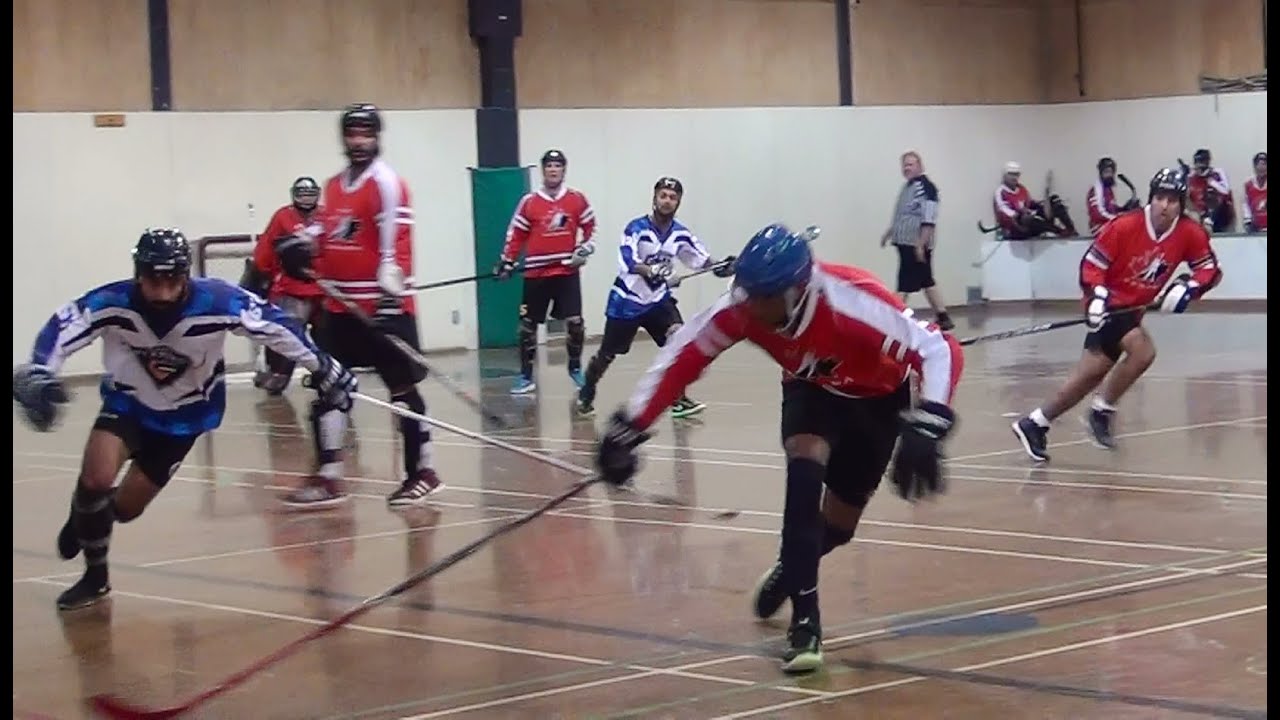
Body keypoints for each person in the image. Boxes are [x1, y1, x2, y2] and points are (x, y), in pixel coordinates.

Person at [593, 223, 964, 674]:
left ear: (795, 293)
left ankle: (791, 569)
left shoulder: (851, 302)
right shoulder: (743, 308)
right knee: (803, 480)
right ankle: (805, 624)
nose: (748, 305)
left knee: (839, 527)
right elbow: (683, 355)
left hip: (878, 401)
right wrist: (630, 426)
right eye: (745, 294)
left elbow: (938, 348)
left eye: (760, 298)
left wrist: (930, 422)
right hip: (811, 392)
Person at [11, 228, 357, 611]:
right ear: (138, 273)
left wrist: (323, 365)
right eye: (152, 278)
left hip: (183, 420)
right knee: (96, 478)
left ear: (185, 274)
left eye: (171, 279)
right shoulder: (113, 301)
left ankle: (86, 518)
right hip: (128, 404)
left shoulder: (218, 301)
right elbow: (64, 325)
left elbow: (277, 326)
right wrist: (40, 370)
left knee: (125, 509)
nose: (162, 291)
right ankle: (95, 577)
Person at [286, 102, 442, 509]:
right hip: (340, 310)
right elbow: (330, 233)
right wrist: (302, 247)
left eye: (366, 134)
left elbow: (396, 246)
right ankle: (328, 475)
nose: (359, 142)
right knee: (330, 387)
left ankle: (423, 473)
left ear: (377, 137)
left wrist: (391, 300)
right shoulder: (334, 186)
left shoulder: (387, 184)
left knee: (402, 390)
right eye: (352, 134)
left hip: (382, 310)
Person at [1011, 168, 1224, 462]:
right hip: (1109, 306)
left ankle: (1035, 423)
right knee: (1143, 351)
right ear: (1151, 198)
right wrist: (1096, 297)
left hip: (1133, 311)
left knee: (1087, 377)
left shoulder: (1189, 232)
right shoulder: (1124, 226)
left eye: (1172, 200)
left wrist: (1189, 287)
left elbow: (1209, 269)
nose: (1164, 205)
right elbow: (1092, 265)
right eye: (1160, 197)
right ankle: (1101, 411)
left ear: (1181, 203)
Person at [576, 177, 735, 419]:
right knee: (608, 354)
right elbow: (628, 260)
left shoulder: (680, 234)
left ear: (678, 202)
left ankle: (678, 399)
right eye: (663, 195)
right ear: (654, 198)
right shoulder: (636, 228)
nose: (667, 201)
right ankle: (587, 390)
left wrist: (722, 266)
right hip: (627, 302)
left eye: (672, 197)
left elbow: (702, 260)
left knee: (678, 339)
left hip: (658, 301)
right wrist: (650, 271)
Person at [494, 149, 598, 395]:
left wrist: (584, 249)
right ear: (543, 170)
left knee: (575, 323)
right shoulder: (529, 202)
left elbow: (591, 227)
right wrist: (507, 261)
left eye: (557, 165)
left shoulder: (576, 199)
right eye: (549, 166)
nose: (553, 170)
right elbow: (516, 234)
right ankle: (525, 376)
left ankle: (575, 368)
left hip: (566, 273)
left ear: (564, 170)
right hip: (536, 274)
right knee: (527, 327)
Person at [242, 176, 326, 394]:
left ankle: (325, 374)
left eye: (310, 195)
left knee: (328, 336)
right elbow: (266, 251)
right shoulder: (283, 217)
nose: (306, 200)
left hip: (323, 289)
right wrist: (261, 274)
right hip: (291, 288)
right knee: (284, 331)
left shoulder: (327, 216)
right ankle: (279, 373)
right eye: (302, 195)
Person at [880, 150, 953, 330]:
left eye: (910, 164)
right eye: (904, 165)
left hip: (914, 244)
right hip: (904, 242)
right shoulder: (907, 188)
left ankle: (892, 319)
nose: (907, 168)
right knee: (926, 280)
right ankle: (943, 316)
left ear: (920, 166)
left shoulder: (926, 188)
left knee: (904, 283)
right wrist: (889, 232)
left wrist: (920, 244)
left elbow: (929, 219)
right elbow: (903, 215)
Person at [1085, 157, 1140, 235]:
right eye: (1106, 172)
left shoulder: (1108, 190)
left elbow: (1111, 210)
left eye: (1111, 172)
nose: (1109, 175)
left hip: (1110, 224)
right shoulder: (1095, 191)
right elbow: (1097, 214)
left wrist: (1125, 209)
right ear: (1101, 173)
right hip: (1099, 227)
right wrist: (1117, 218)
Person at [1242, 151, 1267, 234]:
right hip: (1255, 228)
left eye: (1264, 164)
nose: (1262, 167)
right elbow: (1245, 204)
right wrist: (1248, 221)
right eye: (1259, 164)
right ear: (1255, 167)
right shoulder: (1248, 185)